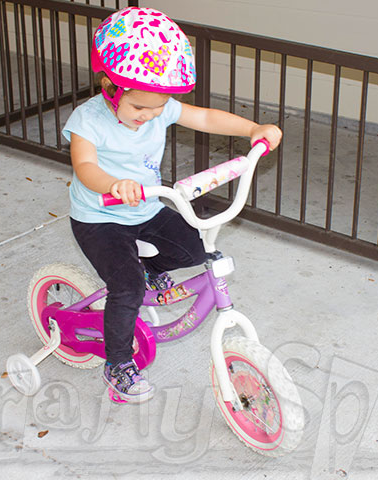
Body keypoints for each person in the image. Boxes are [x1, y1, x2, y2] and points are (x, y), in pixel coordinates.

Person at [62, 6, 281, 404]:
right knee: (124, 288)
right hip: (101, 216)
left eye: (159, 108)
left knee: (195, 248)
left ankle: (150, 270)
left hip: (146, 207)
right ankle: (118, 363)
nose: (149, 116)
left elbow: (206, 118)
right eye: (139, 108)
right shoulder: (88, 120)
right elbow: (85, 166)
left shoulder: (156, 108)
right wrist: (115, 184)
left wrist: (254, 129)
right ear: (111, 89)